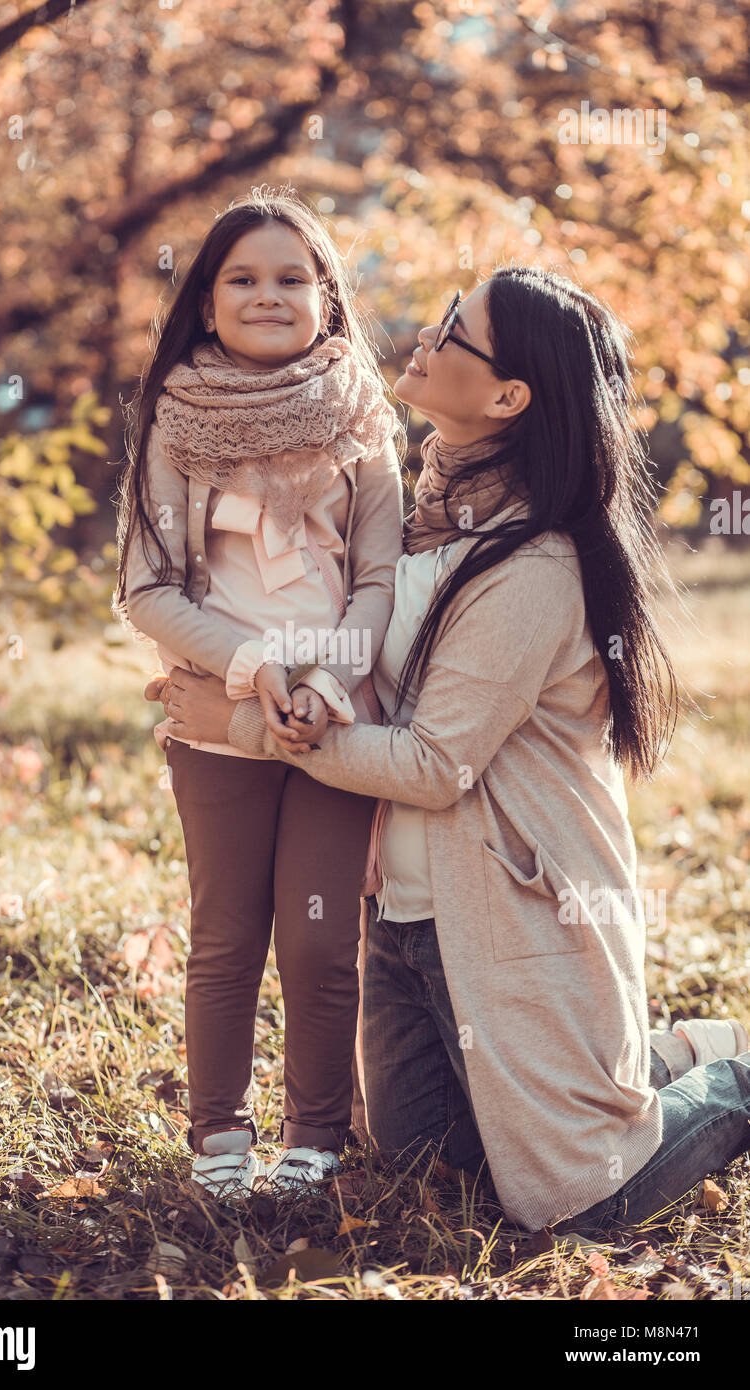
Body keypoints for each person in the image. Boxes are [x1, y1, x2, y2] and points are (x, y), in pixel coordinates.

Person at [155, 266, 750, 1236]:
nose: (424, 339)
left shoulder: (535, 563)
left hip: (516, 913)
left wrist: (244, 728)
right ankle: (623, 1063)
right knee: (425, 1160)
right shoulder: (422, 512)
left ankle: (722, 1076)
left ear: (509, 397)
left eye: (453, 333)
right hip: (400, 912)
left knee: (572, 1198)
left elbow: (433, 764)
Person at [112, 188, 403, 1197]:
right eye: (242, 278)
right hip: (217, 717)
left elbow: (378, 579)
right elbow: (142, 586)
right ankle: (218, 1140)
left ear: (326, 297)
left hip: (333, 716)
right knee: (226, 933)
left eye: (292, 277)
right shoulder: (173, 418)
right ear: (203, 301)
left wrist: (324, 677)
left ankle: (315, 1137)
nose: (267, 294)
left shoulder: (363, 419)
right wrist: (251, 666)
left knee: (320, 936)